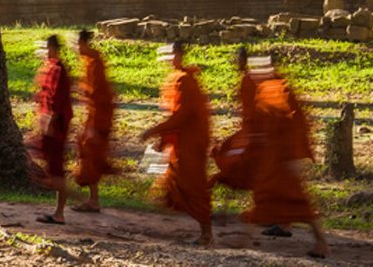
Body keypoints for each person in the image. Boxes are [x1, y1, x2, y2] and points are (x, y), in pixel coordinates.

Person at [232, 55, 330, 258]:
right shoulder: (265, 88)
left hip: (285, 158)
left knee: (298, 202)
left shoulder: (283, 89)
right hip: (272, 157)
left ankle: (322, 243)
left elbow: (298, 124)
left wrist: (295, 156)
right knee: (263, 197)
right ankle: (245, 239)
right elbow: (259, 122)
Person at [141, 41, 213, 246]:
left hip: (191, 142)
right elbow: (174, 114)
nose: (172, 59)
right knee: (174, 182)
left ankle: (207, 233)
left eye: (175, 54)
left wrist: (154, 131)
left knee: (194, 187)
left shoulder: (186, 81)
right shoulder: (175, 79)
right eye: (170, 55)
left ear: (181, 55)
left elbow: (181, 116)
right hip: (181, 142)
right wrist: (163, 140)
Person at [72, 29, 115, 213]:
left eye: (77, 44)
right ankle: (93, 199)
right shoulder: (89, 62)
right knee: (88, 155)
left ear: (84, 44)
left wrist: (93, 127)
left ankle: (94, 200)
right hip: (93, 117)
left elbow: (99, 96)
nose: (76, 49)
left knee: (91, 156)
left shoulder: (96, 64)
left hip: (98, 119)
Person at [32, 34, 73, 225]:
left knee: (57, 169)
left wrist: (50, 120)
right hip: (49, 123)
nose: (48, 52)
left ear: (56, 49)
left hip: (56, 125)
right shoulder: (50, 67)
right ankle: (59, 210)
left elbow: (57, 98)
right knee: (51, 166)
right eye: (47, 48)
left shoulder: (59, 70)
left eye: (51, 48)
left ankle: (60, 213)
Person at [210, 46, 257, 192]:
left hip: (251, 128)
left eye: (240, 59)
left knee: (229, 154)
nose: (238, 62)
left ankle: (234, 180)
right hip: (247, 127)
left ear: (245, 60)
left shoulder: (249, 80)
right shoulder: (246, 79)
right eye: (237, 59)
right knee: (222, 150)